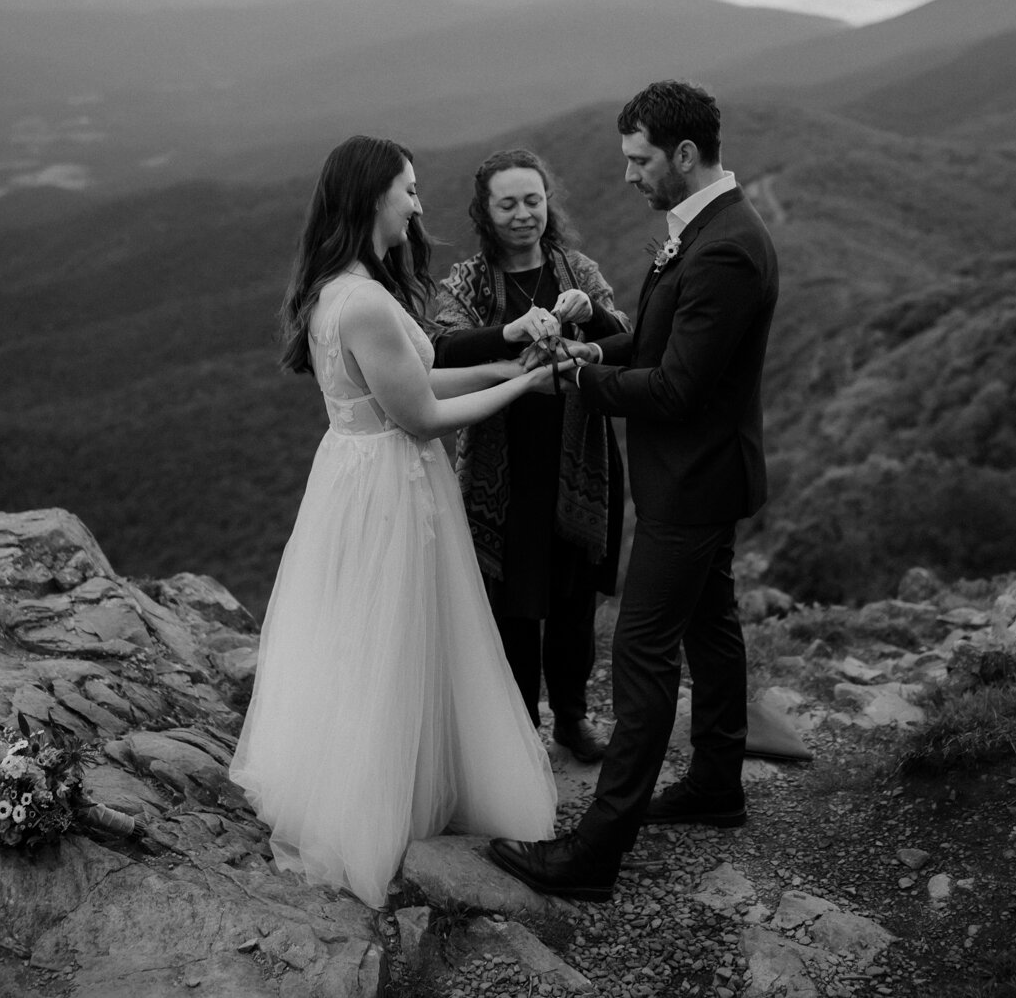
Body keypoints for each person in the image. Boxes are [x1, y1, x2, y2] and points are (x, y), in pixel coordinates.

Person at [228, 135, 558, 908]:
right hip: (389, 483)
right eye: (407, 189)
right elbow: (422, 415)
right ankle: (382, 809)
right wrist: (530, 385)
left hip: (355, 474)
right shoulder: (367, 302)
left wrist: (507, 362)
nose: (418, 202)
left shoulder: (342, 289)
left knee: (373, 637)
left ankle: (389, 783)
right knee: (395, 635)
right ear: (373, 197)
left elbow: (419, 375)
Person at [487, 81, 779, 903]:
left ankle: (593, 853)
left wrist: (582, 375)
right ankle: (717, 784)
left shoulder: (722, 246)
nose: (627, 176)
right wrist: (599, 335)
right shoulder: (707, 229)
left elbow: (677, 389)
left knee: (641, 656)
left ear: (684, 155)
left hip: (691, 483)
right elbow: (659, 345)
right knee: (713, 625)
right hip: (704, 475)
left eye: (638, 159)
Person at [431, 148, 629, 765]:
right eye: (508, 203)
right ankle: (520, 730)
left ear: (549, 204)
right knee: (513, 604)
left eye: (533, 201)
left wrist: (589, 313)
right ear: (485, 212)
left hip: (579, 459)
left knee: (572, 599)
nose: (523, 215)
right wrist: (510, 333)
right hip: (504, 465)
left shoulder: (576, 269)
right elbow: (437, 346)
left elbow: (627, 338)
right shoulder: (468, 280)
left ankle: (571, 717)